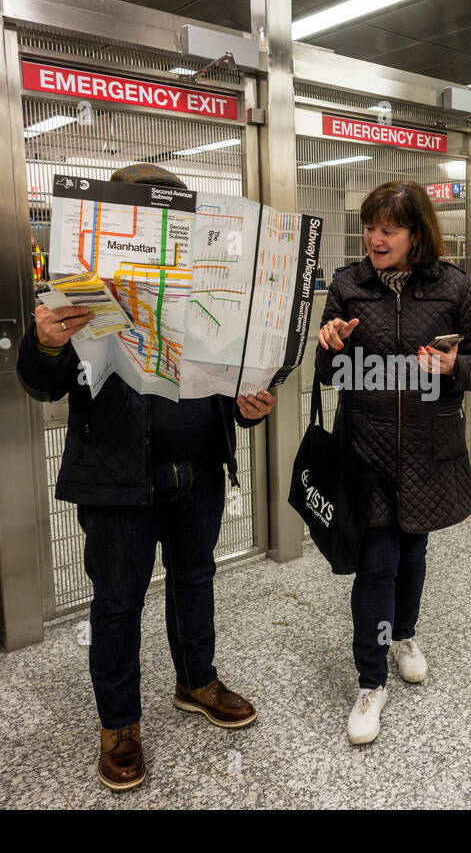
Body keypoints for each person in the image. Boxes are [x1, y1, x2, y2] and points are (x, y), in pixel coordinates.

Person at [16, 163, 276, 791]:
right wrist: (46, 341)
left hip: (199, 467)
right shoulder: (80, 284)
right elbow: (41, 382)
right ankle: (119, 724)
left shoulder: (210, 282)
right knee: (117, 601)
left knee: (195, 578)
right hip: (116, 474)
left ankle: (196, 680)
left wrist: (249, 401)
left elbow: (238, 369)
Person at [315, 179, 471, 744]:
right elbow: (326, 377)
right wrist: (331, 349)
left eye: (388, 228)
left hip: (427, 448)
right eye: (370, 227)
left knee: (413, 548)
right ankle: (370, 682)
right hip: (364, 449)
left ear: (417, 234)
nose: (375, 237)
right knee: (376, 564)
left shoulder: (453, 287)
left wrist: (450, 370)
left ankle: (405, 635)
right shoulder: (348, 285)